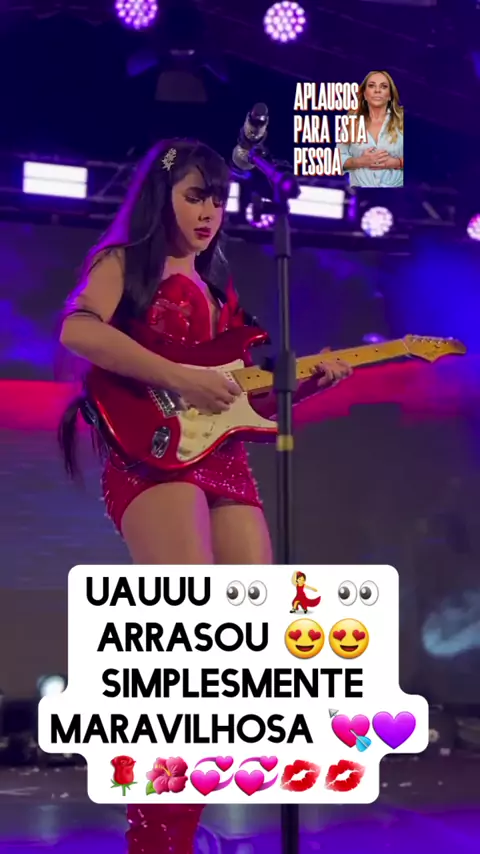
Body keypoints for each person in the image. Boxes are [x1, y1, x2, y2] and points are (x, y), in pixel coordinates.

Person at [57, 138, 351, 854]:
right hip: (150, 454)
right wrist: (180, 376)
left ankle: (180, 821)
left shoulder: (222, 290)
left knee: (245, 641)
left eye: (218, 199)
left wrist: (306, 386)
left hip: (221, 459)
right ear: (161, 197)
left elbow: (236, 404)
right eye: (195, 196)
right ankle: (159, 837)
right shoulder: (124, 263)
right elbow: (77, 330)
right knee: (189, 635)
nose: (209, 212)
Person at [338, 70, 404, 188]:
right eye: (372, 86)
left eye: (383, 86)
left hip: (397, 193)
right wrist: (361, 161)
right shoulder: (351, 123)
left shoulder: (402, 120)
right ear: (364, 94)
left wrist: (396, 162)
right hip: (361, 192)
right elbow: (338, 160)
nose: (377, 90)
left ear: (390, 95)